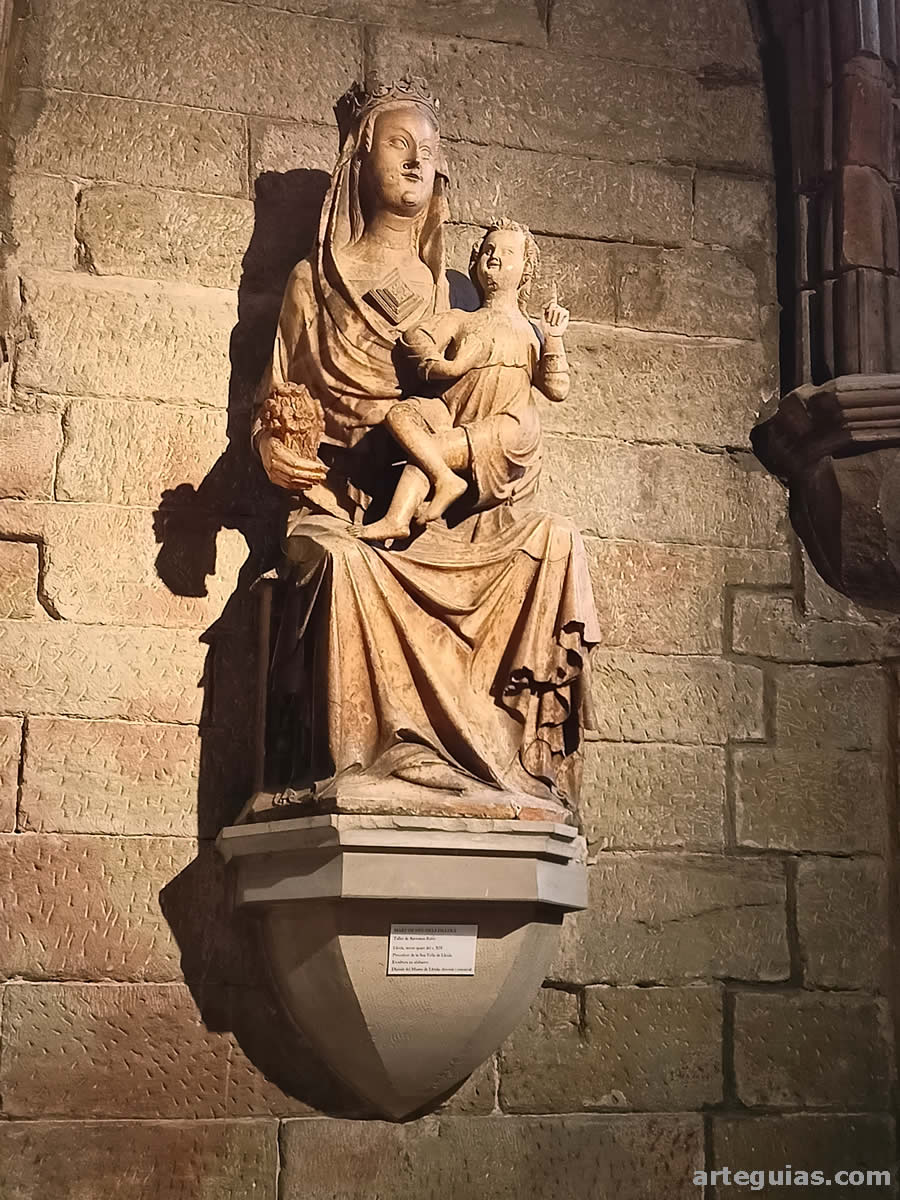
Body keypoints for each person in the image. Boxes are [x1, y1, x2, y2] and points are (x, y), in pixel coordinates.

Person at [248, 79, 601, 820]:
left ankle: (514, 769)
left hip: (438, 510)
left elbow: (501, 414)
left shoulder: (453, 305)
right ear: (359, 160)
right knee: (345, 563)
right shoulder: (314, 285)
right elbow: (275, 403)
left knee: (555, 540)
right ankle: (364, 771)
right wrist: (276, 449)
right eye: (397, 145)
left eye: (428, 152)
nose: (415, 163)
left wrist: (490, 447)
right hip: (340, 509)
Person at [353, 220, 570, 544]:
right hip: (453, 411)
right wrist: (447, 367)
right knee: (402, 418)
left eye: (507, 252)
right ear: (475, 261)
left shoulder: (529, 332)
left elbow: (557, 389)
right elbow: (415, 337)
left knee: (430, 449)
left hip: (507, 428)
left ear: (526, 269)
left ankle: (399, 517)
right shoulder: (462, 319)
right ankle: (441, 480)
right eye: (488, 250)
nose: (494, 257)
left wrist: (553, 340)